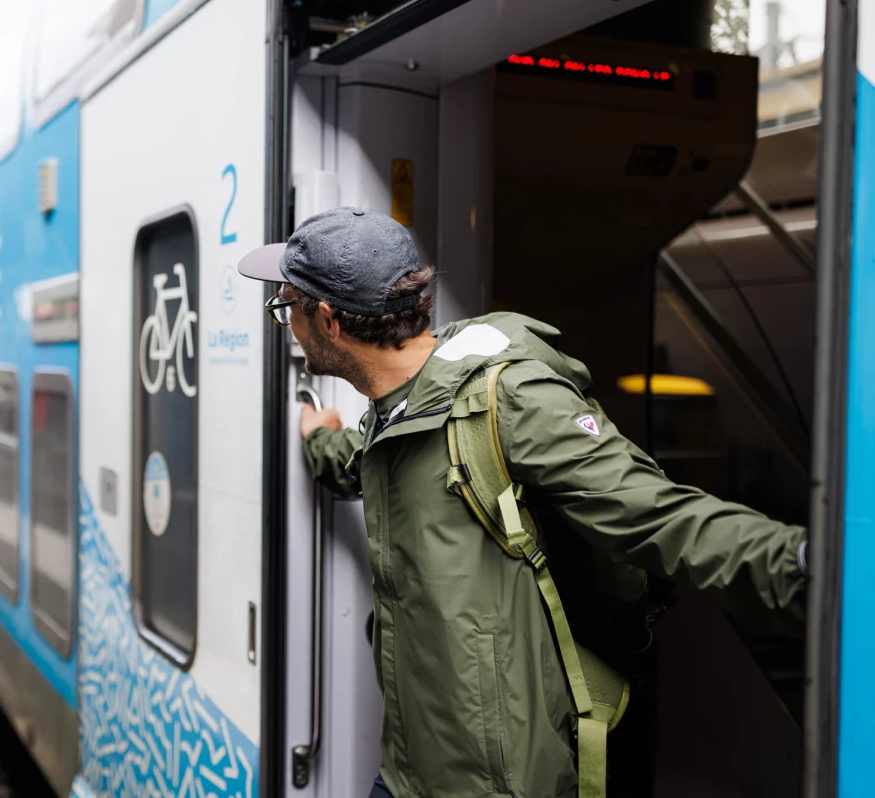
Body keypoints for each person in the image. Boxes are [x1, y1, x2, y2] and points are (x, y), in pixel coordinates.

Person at [237, 206, 808, 798]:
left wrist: (813, 573)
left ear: (328, 321)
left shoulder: (507, 401)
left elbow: (661, 516)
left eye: (287, 310)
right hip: (408, 768)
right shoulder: (396, 412)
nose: (287, 326)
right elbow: (362, 460)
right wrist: (318, 437)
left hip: (496, 783)